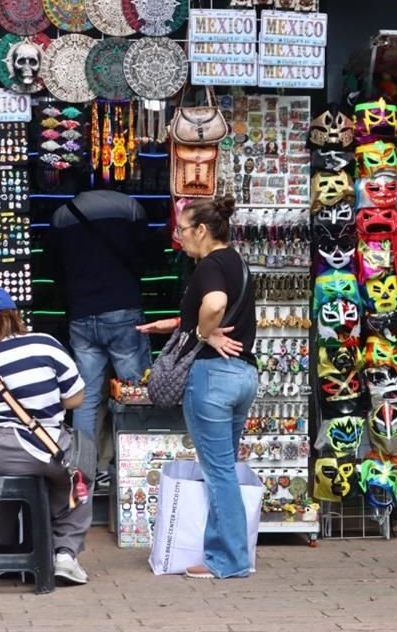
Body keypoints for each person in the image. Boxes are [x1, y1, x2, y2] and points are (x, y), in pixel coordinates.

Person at [138, 196, 258, 579]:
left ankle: (228, 560)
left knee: (218, 472)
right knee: (224, 468)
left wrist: (206, 333)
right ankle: (231, 553)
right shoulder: (235, 261)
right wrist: (178, 324)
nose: (179, 238)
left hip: (213, 378)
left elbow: (215, 305)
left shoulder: (208, 265)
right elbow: (218, 309)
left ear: (202, 231)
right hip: (242, 375)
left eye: (183, 230)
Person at [0, 286, 91, 585]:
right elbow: (76, 399)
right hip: (35, 450)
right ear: (15, 315)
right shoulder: (44, 345)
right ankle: (64, 554)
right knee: (80, 470)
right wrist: (42, 404)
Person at [49, 189, 164, 485]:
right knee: (134, 392)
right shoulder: (131, 207)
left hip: (82, 314)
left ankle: (85, 471)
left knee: (85, 397)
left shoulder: (63, 214)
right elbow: (148, 254)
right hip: (123, 309)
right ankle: (137, 467)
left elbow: (55, 270)